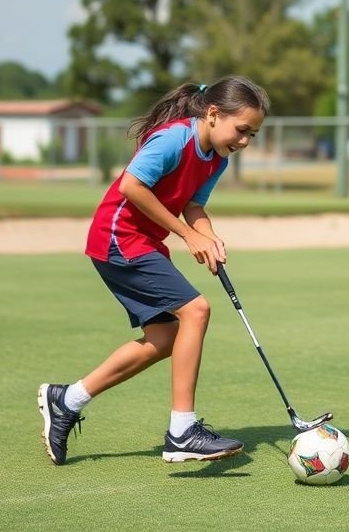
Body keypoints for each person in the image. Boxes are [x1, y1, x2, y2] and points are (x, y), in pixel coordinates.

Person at [38, 75, 270, 465]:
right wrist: (186, 236)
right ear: (213, 114)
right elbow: (132, 186)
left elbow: (193, 206)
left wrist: (208, 237)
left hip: (143, 243)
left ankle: (66, 399)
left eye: (253, 135)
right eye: (242, 129)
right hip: (118, 237)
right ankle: (182, 432)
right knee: (196, 310)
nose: (245, 140)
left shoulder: (217, 157)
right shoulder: (172, 139)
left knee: (164, 338)